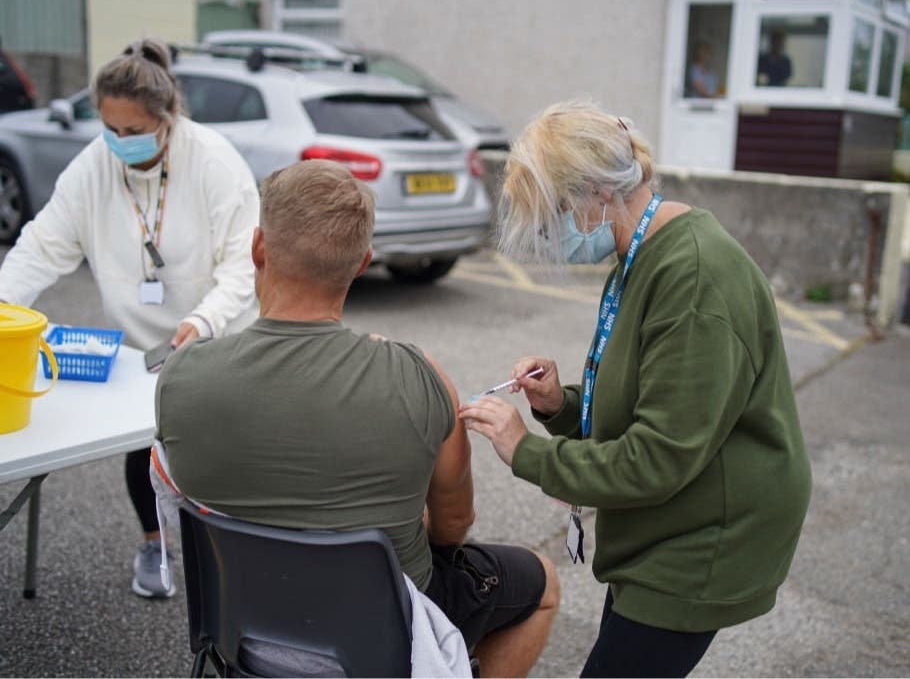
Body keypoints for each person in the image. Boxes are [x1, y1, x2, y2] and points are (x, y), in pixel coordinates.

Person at [153, 159, 560, 678]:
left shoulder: (181, 376)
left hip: (244, 625)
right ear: (363, 261)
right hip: (383, 634)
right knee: (543, 583)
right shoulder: (418, 377)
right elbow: (454, 528)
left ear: (258, 248)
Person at [459, 100, 811, 678]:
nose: (556, 237)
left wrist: (527, 451)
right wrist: (561, 406)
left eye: (556, 217)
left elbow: (659, 457)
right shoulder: (638, 252)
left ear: (599, 195)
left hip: (706, 537)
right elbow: (640, 399)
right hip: (663, 526)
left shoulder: (693, 275)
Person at [0, 38, 259, 599]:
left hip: (218, 337)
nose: (119, 142)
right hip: (144, 350)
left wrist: (204, 321)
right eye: (109, 130)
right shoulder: (93, 167)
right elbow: (40, 248)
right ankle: (154, 543)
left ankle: (232, 556)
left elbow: (245, 267)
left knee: (217, 457)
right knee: (144, 448)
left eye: (132, 132)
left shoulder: (214, 161)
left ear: (167, 120)